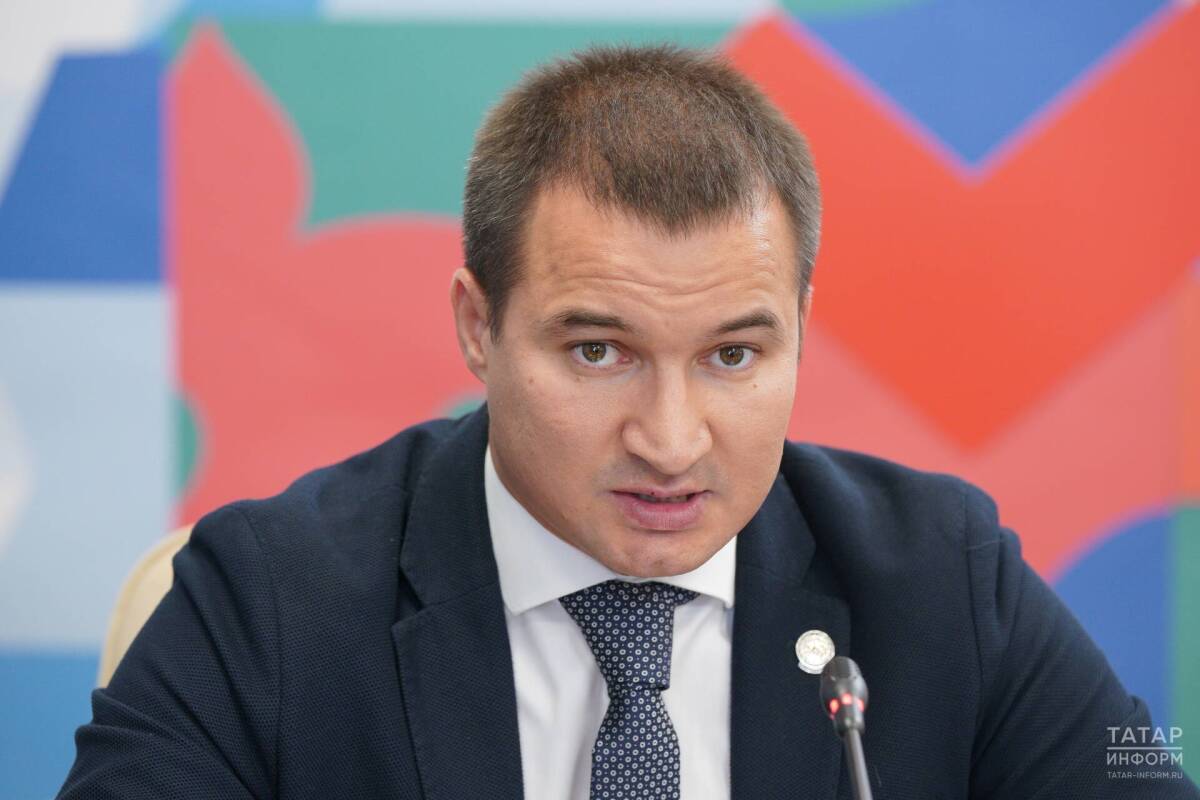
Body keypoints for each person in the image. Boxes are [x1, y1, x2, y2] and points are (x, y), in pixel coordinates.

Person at [58, 44, 1197, 800]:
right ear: (477, 325)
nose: (671, 439)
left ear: (801, 329)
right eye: (598, 351)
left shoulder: (943, 579)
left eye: (734, 355)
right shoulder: (272, 596)